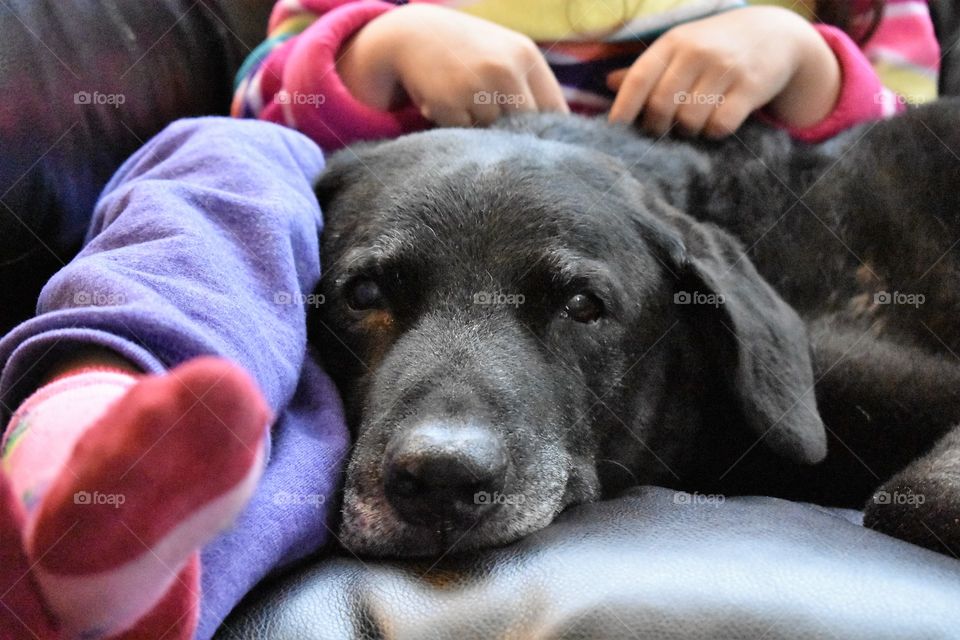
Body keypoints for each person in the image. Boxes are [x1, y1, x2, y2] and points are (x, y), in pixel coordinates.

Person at [0, 0, 942, 638]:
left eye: (576, 305)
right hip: (392, 173)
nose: (446, 450)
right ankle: (89, 446)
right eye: (366, 299)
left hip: (677, 184)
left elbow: (892, 114)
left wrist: (804, 56)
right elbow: (266, 99)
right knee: (229, 197)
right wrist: (385, 45)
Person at [233, 0, 940, 150]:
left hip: (735, 300)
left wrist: (807, 65)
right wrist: (383, 50)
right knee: (217, 166)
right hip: (437, 292)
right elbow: (254, 119)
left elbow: (915, 175)